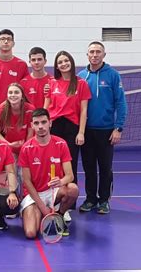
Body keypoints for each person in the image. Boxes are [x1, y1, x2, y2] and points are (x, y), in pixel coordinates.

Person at [77, 41, 128, 214]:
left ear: (104, 55)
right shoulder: (81, 76)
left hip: (106, 131)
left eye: (98, 51)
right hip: (86, 131)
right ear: (87, 55)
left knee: (105, 167)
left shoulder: (113, 75)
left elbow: (121, 102)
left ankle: (104, 200)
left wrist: (118, 128)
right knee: (89, 167)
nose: (95, 54)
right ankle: (91, 199)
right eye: (91, 51)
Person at [43, 50, 91, 215]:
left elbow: (84, 111)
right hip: (55, 127)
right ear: (56, 66)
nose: (63, 64)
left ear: (71, 62)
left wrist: (81, 132)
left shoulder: (81, 83)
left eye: (66, 61)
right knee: (52, 165)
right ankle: (53, 201)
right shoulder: (52, 83)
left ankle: (68, 207)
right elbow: (46, 107)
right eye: (60, 62)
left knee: (69, 167)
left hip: (72, 127)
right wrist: (43, 126)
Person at [18, 108, 79, 238]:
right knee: (30, 233)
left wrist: (61, 181)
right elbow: (27, 182)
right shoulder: (26, 148)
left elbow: (70, 176)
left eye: (44, 122)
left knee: (73, 189)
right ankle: (38, 213)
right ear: (32, 125)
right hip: (34, 194)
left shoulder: (61, 144)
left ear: (50, 123)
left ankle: (60, 216)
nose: (40, 126)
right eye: (36, 123)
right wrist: (43, 208)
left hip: (54, 192)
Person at [0, 29, 28, 111]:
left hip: (15, 111)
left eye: (9, 39)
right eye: (2, 39)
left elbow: (24, 90)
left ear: (13, 43)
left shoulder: (22, 65)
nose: (6, 41)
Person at [0, 83, 34, 156]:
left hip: (27, 147)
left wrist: (25, 149)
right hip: (8, 148)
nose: (13, 95)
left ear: (22, 96)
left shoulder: (30, 109)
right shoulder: (1, 109)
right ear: (7, 95)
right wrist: (8, 144)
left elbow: (30, 133)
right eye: (10, 92)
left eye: (16, 92)